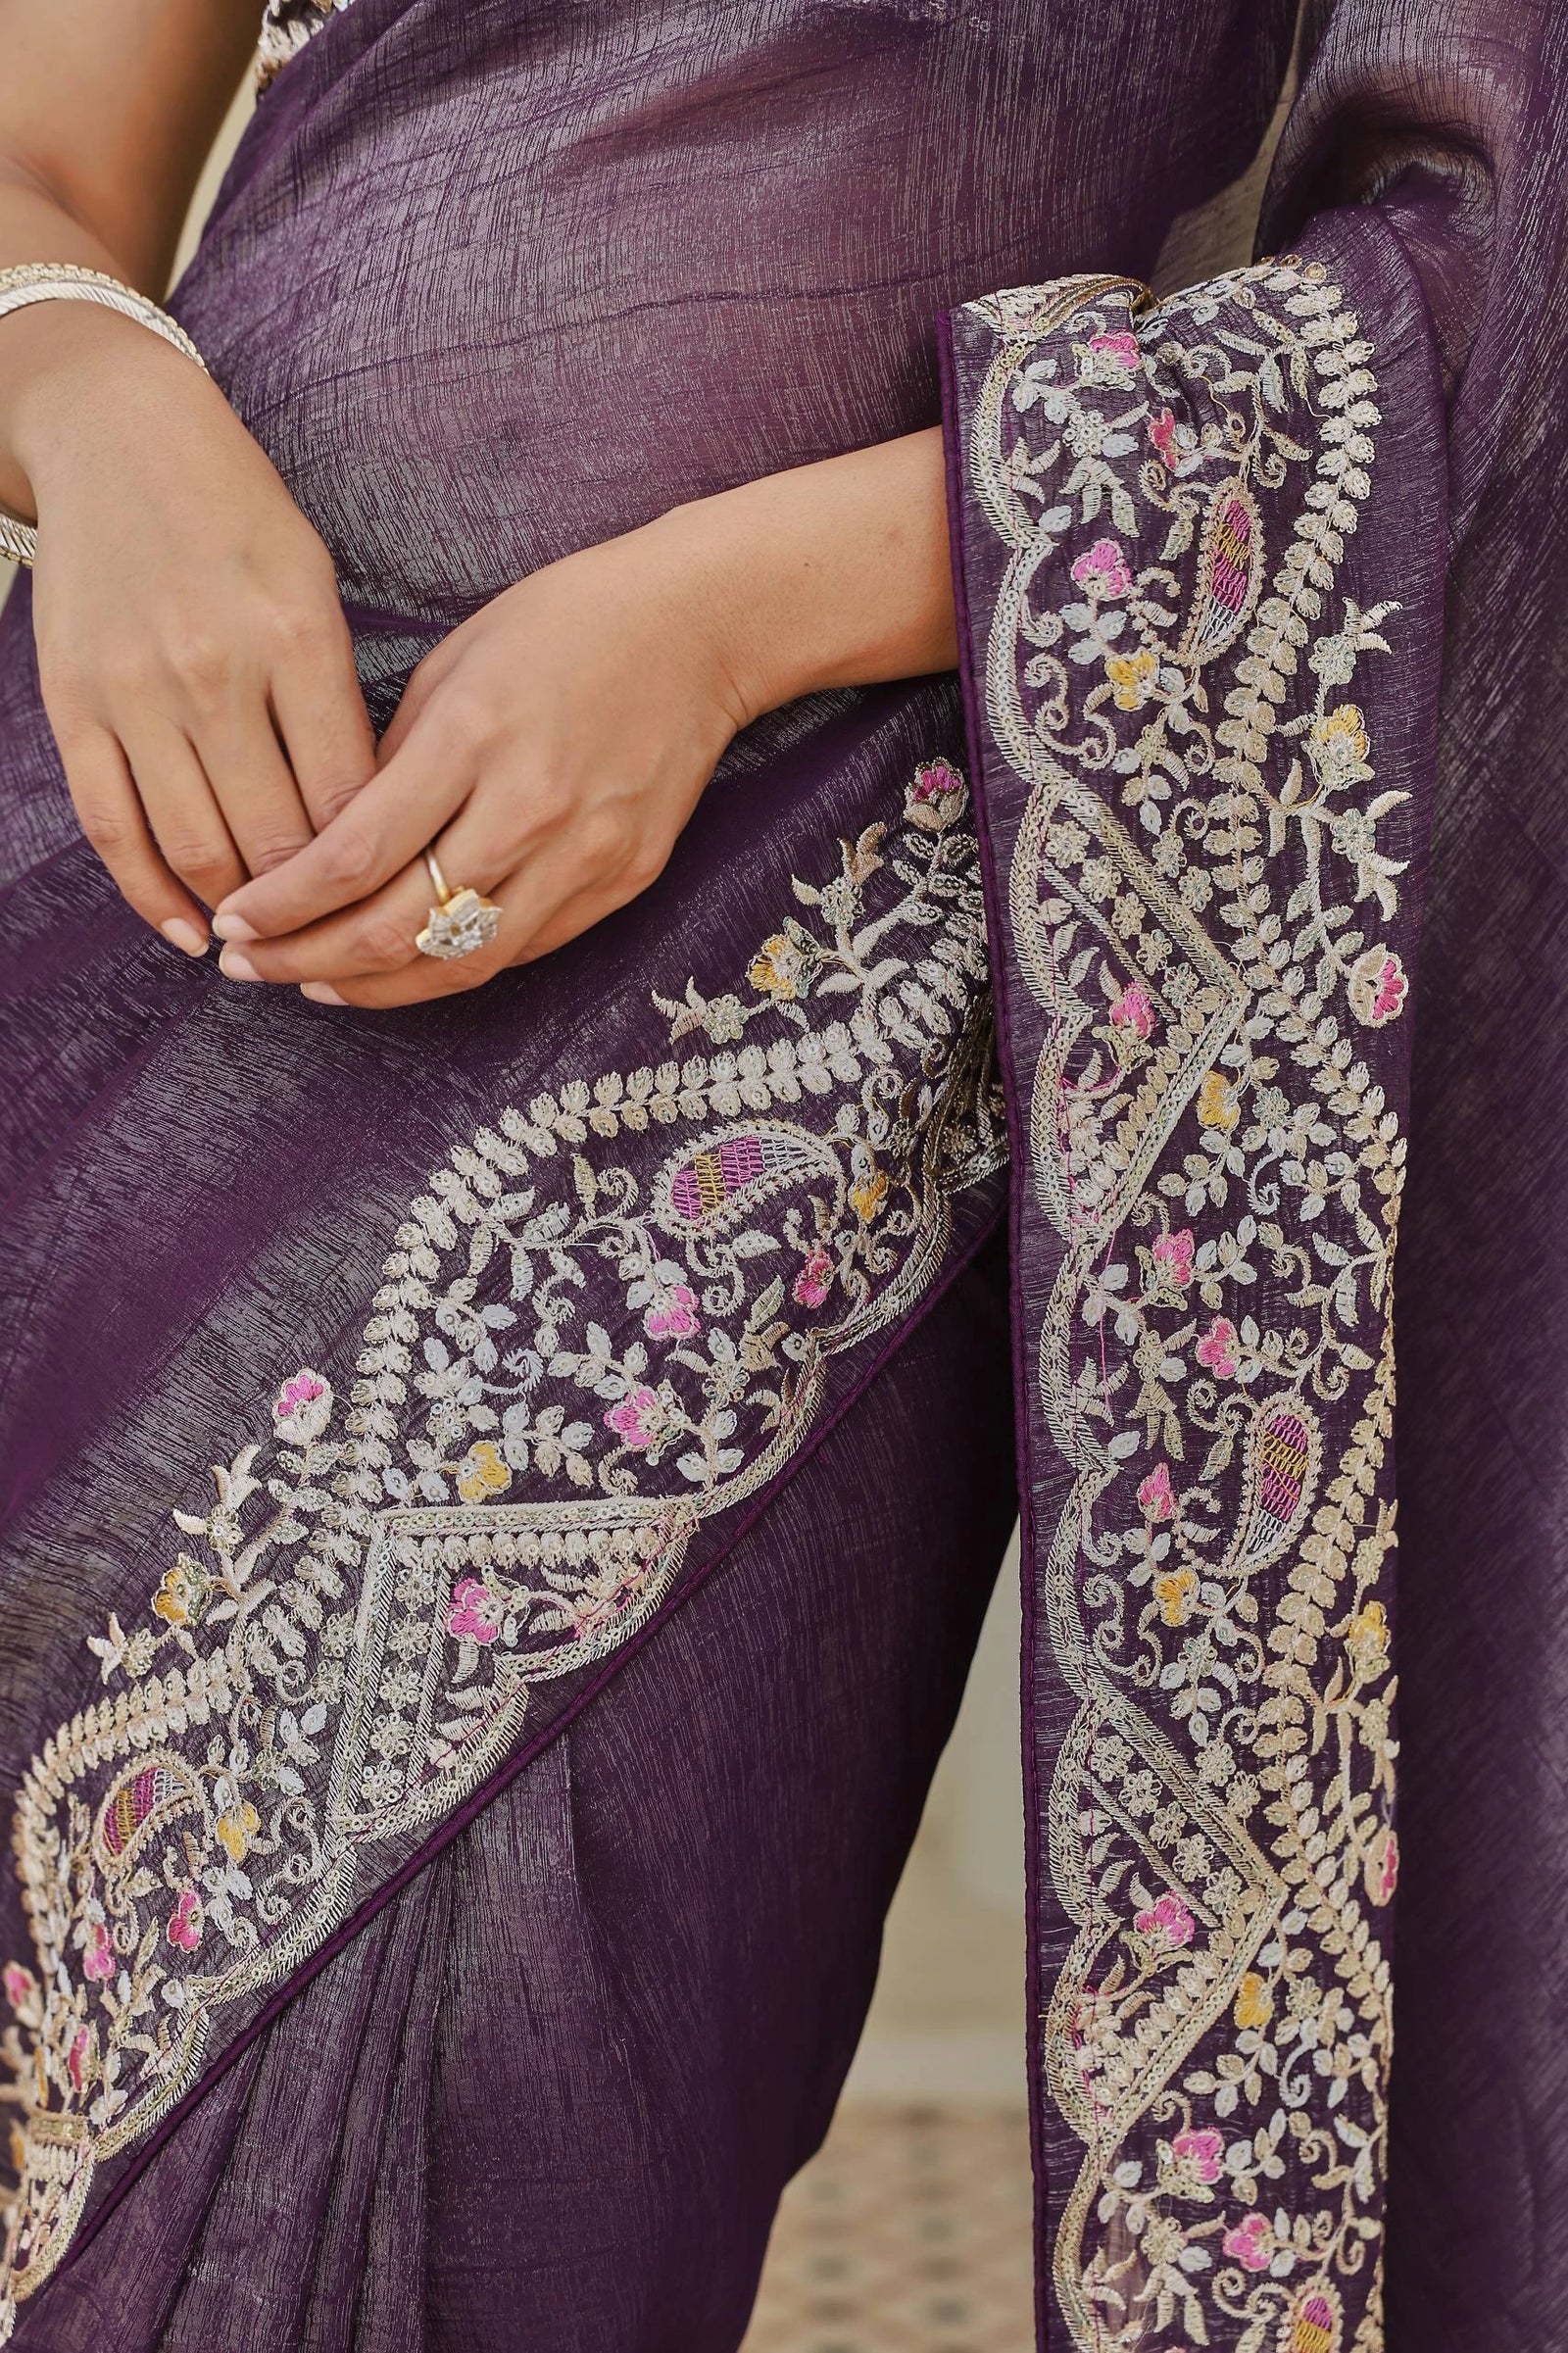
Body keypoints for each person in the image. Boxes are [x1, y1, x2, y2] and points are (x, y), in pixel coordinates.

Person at [0, 1, 1562, 2345]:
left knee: (489, 2159)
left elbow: (1481, 290)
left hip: (753, 1035)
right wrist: (98, 407)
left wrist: (718, 615)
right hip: (124, 877)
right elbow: (34, 154)